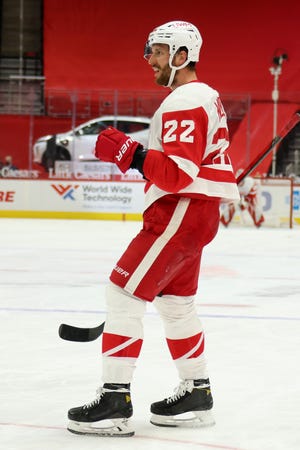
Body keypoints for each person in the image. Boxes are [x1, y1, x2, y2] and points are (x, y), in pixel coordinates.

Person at [67, 20, 240, 437]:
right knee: (176, 306)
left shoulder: (186, 99)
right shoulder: (205, 97)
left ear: (182, 56)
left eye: (159, 51)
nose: (150, 59)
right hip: (196, 215)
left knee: (122, 292)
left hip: (179, 211)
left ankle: (114, 398)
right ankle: (196, 392)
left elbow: (178, 174)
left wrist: (131, 153)